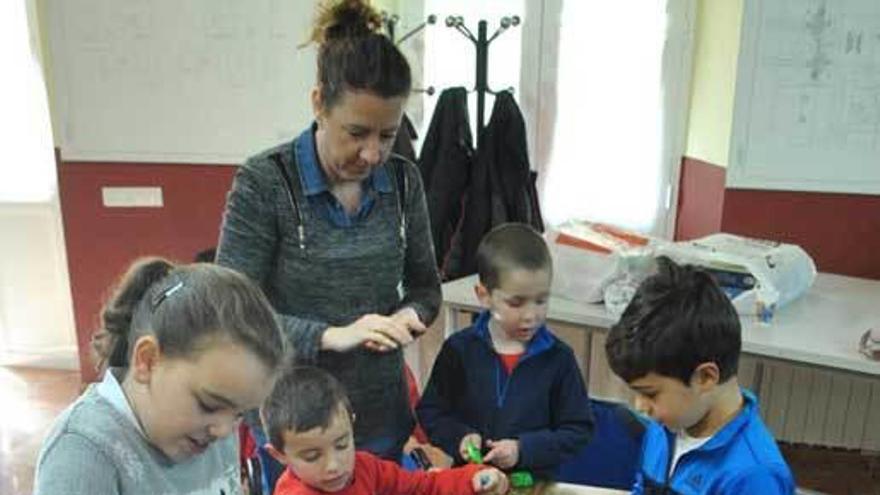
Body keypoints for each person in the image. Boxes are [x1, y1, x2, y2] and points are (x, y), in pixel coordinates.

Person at [216, 0, 440, 462]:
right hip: (298, 430)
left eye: (388, 135)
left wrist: (409, 316)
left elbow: (425, 288)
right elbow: (233, 313)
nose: (373, 153)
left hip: (381, 421)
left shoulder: (403, 181)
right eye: (357, 132)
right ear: (319, 103)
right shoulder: (265, 182)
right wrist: (329, 336)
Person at [33, 258, 285, 494]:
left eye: (239, 414)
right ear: (148, 360)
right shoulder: (83, 452)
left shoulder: (214, 426)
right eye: (208, 405)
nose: (224, 430)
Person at [416, 223, 594, 479]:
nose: (531, 315)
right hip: (469, 482)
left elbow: (578, 430)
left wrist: (524, 449)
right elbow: (431, 412)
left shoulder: (559, 358)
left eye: (541, 300)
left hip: (534, 485)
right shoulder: (459, 349)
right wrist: (460, 437)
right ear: (484, 296)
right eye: (516, 302)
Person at [605, 256, 795, 494]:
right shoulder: (666, 426)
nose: (640, 406)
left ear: (705, 377)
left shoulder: (754, 476)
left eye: (650, 394)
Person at [262, 366, 508, 495]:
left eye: (342, 445)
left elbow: (419, 487)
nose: (334, 465)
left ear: (351, 422)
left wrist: (472, 478)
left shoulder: (365, 467)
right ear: (279, 455)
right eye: (312, 456)